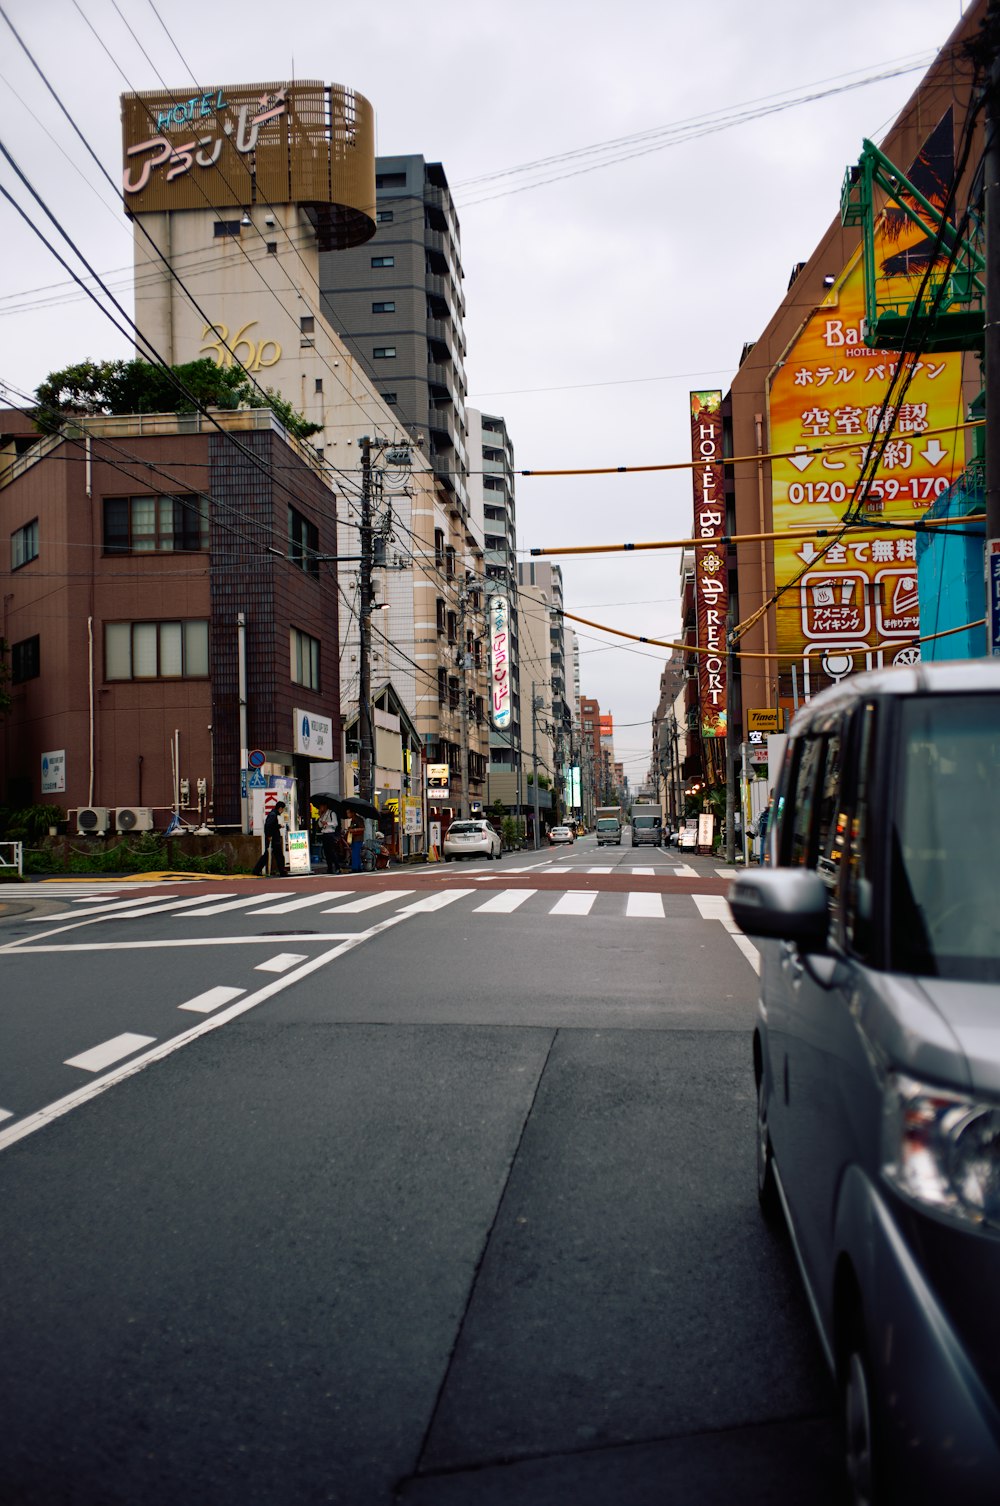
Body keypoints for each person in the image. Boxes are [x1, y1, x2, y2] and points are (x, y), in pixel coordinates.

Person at [253, 799, 287, 877]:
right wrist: (269, 836)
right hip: (273, 839)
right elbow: (268, 826)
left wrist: (278, 826)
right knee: (278, 856)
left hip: (273, 839)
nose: (282, 811)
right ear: (280, 808)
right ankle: (282, 872)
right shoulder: (273, 815)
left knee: (268, 856)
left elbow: (271, 826)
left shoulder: (273, 814)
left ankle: (256, 870)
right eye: (283, 809)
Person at [315, 800, 342, 874]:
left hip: (330, 834)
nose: (320, 808)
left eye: (321, 807)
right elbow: (320, 826)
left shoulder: (331, 813)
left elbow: (335, 823)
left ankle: (337, 866)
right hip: (324, 834)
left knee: (332, 851)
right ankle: (329, 868)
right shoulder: (322, 815)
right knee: (326, 852)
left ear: (325, 806)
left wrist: (327, 823)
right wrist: (320, 817)